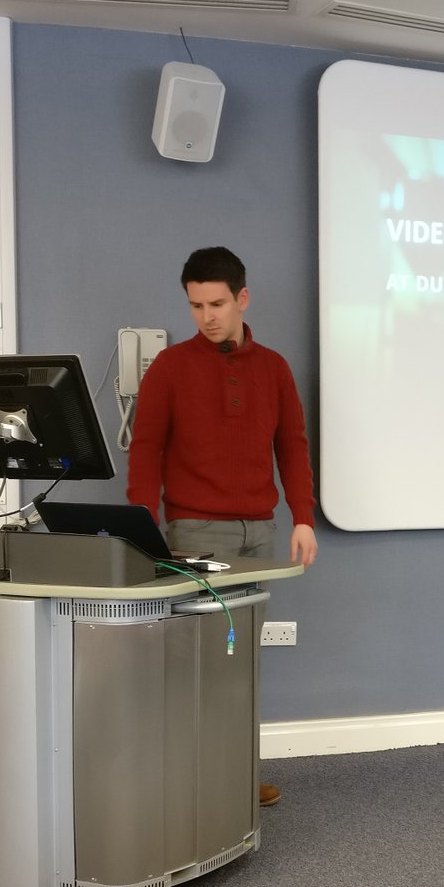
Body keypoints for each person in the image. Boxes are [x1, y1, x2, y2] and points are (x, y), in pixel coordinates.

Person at [127, 246, 317, 807]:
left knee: (239, 664)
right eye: (196, 306)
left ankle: (234, 779)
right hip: (195, 532)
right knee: (199, 664)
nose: (207, 316)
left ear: (242, 298)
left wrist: (303, 517)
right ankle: (194, 784)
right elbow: (146, 450)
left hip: (260, 533)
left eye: (216, 304)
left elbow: (292, 446)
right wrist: (143, 526)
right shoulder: (170, 367)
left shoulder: (274, 368)